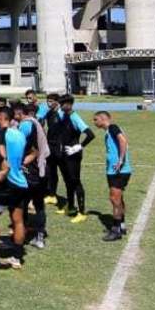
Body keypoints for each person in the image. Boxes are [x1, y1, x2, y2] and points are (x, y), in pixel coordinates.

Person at [0, 107, 36, 270]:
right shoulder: (20, 133)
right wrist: (22, 163)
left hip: (6, 182)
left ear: (1, 117)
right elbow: (34, 152)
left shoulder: (0, 133)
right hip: (21, 183)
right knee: (18, 220)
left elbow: (1, 157)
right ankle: (17, 257)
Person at [56, 94, 95, 223]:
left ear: (70, 104)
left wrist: (79, 146)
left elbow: (90, 134)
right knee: (67, 181)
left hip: (74, 155)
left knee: (75, 181)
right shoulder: (63, 116)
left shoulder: (75, 117)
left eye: (63, 104)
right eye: (60, 104)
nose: (61, 106)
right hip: (64, 154)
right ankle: (71, 207)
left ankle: (82, 212)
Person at [93, 111, 132, 241]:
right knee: (118, 198)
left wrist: (120, 160)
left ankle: (116, 231)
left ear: (103, 119)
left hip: (118, 171)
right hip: (115, 171)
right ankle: (121, 225)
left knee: (114, 199)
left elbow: (123, 140)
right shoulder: (109, 131)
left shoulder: (113, 128)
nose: (94, 122)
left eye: (96, 119)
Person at [17, 104, 51, 249]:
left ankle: (22, 234)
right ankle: (39, 236)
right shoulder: (36, 122)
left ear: (19, 112)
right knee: (39, 204)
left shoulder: (25, 125)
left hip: (32, 170)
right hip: (41, 168)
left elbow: (24, 147)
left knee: (22, 203)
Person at [42, 93, 63, 206]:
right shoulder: (49, 113)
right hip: (50, 145)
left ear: (57, 102)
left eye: (51, 101)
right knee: (51, 171)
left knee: (65, 173)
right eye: (47, 101)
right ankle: (52, 195)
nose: (48, 103)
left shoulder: (63, 114)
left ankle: (69, 201)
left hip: (60, 146)